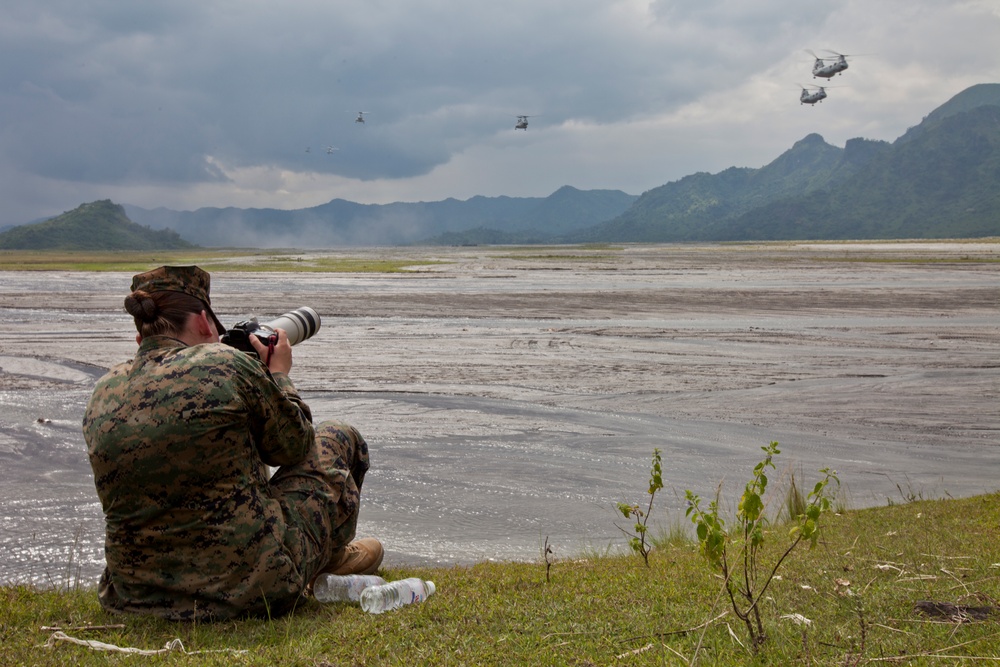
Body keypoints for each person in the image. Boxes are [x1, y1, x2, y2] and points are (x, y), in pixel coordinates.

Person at [83, 265, 382, 621]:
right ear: (204, 322)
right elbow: (295, 446)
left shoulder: (103, 390)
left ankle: (314, 555)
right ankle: (326, 557)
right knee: (339, 436)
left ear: (140, 339)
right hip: (250, 590)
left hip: (132, 597)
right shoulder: (226, 364)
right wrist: (278, 377)